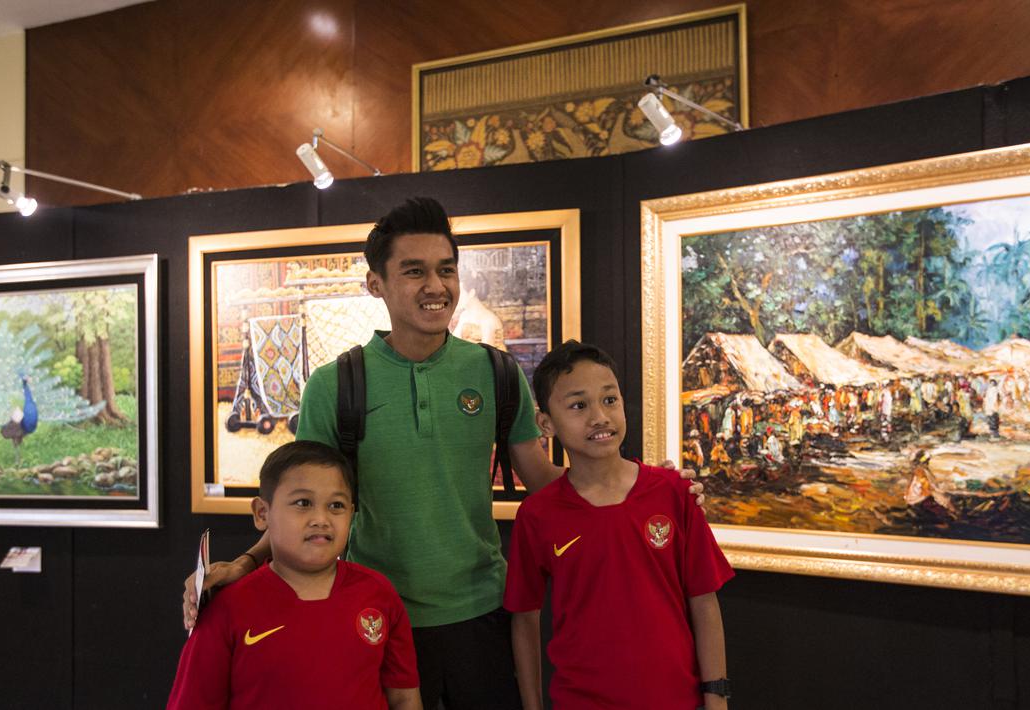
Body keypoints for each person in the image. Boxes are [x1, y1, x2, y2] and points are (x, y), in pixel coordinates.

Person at [182, 197, 702, 708]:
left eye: (446, 269)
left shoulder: (496, 373)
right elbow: (304, 503)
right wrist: (246, 564)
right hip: (374, 616)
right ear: (376, 284)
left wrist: (647, 487)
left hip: (484, 612)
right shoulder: (335, 385)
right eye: (414, 271)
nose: (435, 286)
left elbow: (548, 482)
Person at [505, 341, 734, 710]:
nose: (599, 416)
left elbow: (704, 601)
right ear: (546, 423)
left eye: (609, 400)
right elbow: (524, 618)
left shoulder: (673, 493)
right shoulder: (538, 515)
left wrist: (716, 696)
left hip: (675, 700)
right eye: (578, 405)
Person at [167, 441, 422, 710]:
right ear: (262, 513)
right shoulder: (226, 608)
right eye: (303, 503)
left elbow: (404, 699)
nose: (321, 519)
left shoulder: (378, 594)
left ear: (351, 513)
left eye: (336, 505)